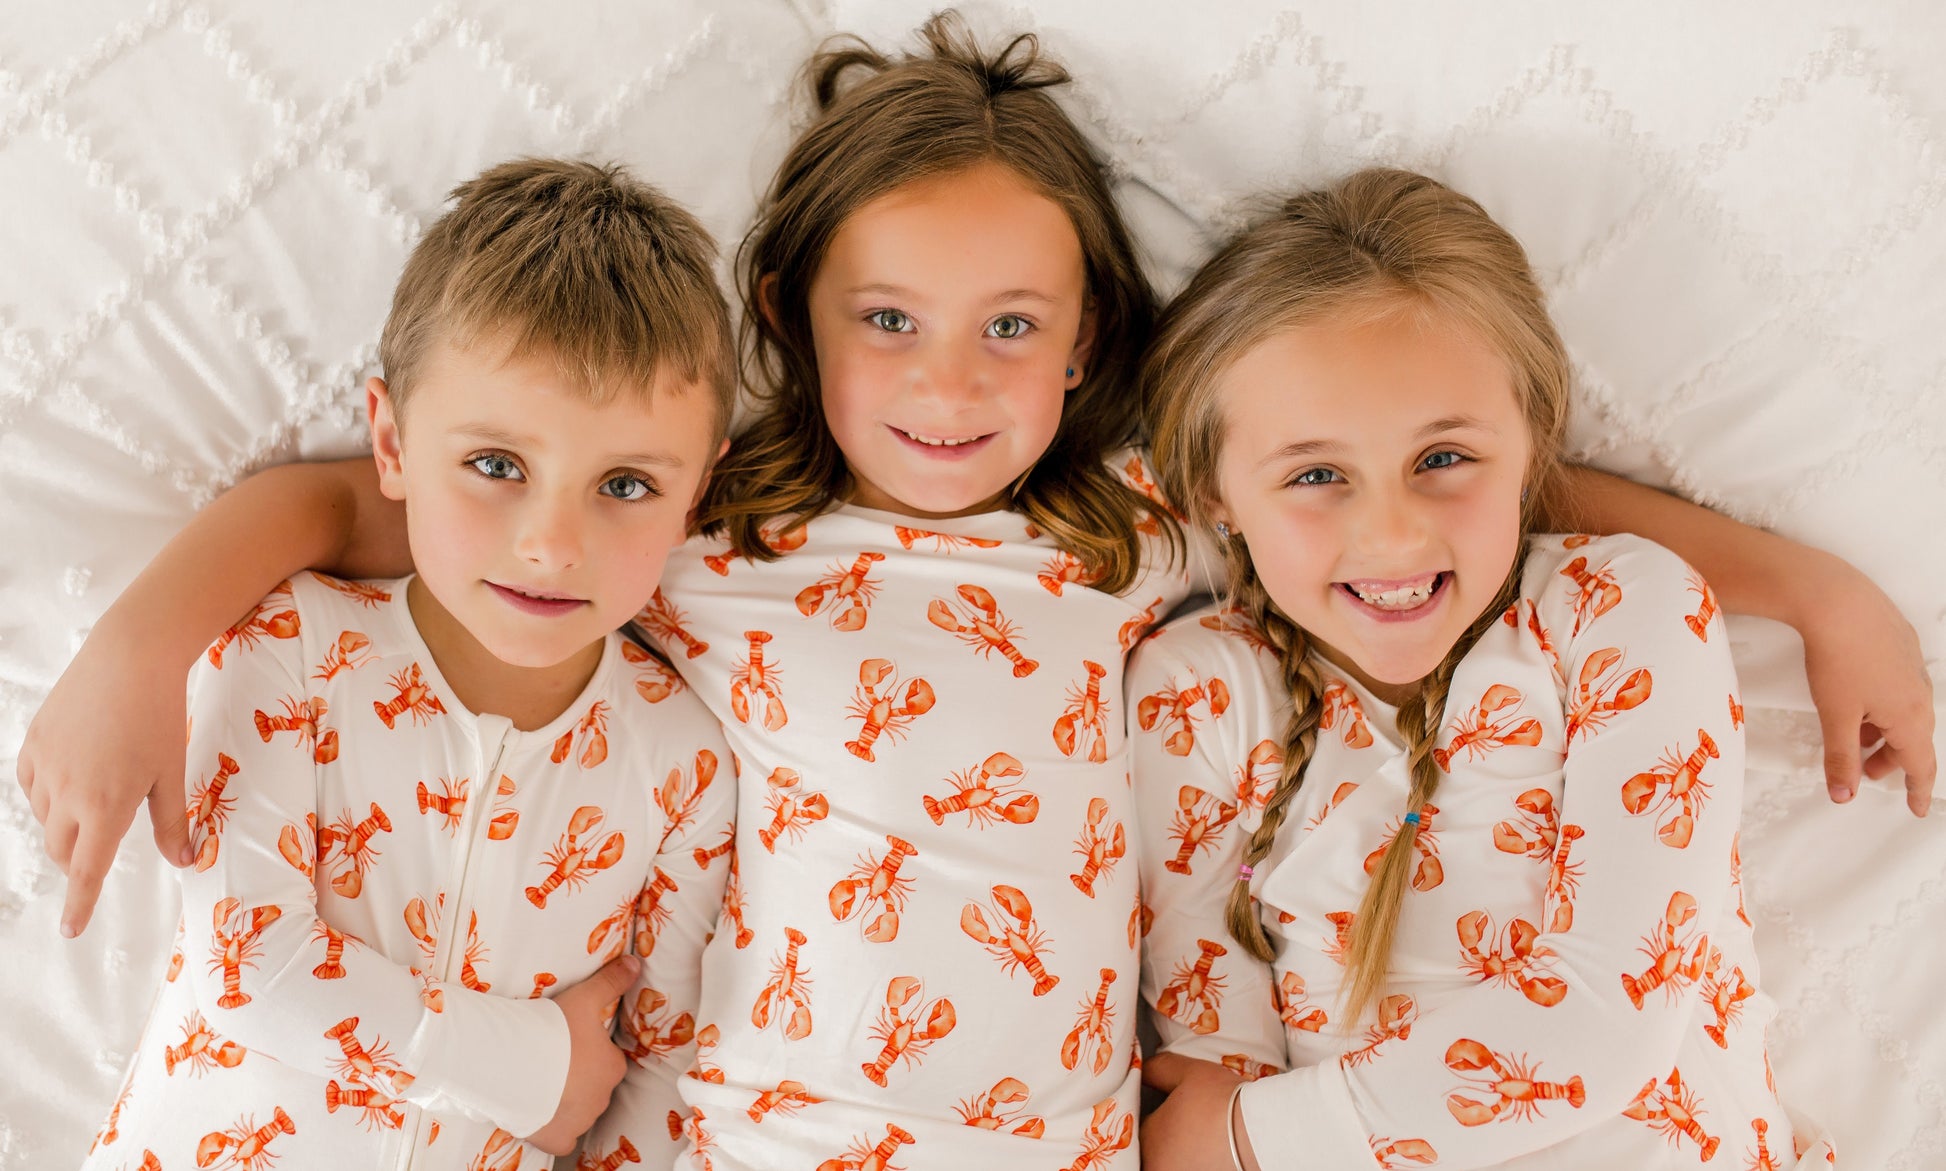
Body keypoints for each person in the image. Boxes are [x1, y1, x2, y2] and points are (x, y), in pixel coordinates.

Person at [16, 11, 1927, 1168]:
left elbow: (1418, 461)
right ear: (794, 323)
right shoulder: (693, 534)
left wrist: (1806, 588)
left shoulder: (1134, 531)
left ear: (1090, 330)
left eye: (1013, 328)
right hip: (742, 1124)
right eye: (891, 325)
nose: (950, 387)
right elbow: (377, 509)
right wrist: (129, 654)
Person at [1131, 167, 1835, 1169]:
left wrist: (1249, 1137)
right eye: (1315, 475)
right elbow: (1216, 1059)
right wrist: (1232, 1126)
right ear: (1212, 492)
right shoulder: (1191, 696)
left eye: (1443, 458)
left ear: (1530, 443)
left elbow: (1605, 1015)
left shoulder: (1621, 611)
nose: (1389, 531)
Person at [75, 158, 737, 1171]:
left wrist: (578, 1092)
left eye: (625, 483)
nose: (551, 543)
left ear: (697, 490)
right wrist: (533, 1071)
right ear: (390, 441)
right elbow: (252, 969)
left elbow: (658, 1070)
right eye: (497, 467)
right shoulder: (292, 644)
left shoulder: (683, 763)